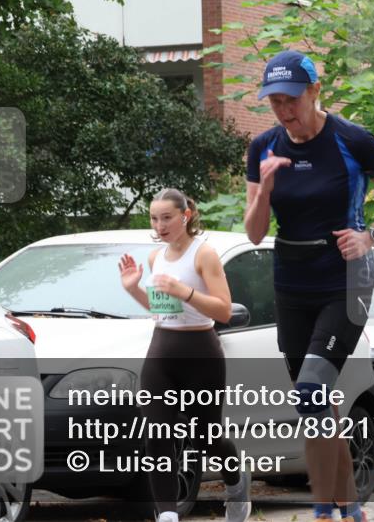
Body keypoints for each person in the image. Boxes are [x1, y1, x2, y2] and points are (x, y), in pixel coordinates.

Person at [244, 50, 374, 522]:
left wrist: (371, 235)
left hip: (347, 280)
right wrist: (262, 188)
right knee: (314, 404)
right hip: (291, 280)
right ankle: (350, 506)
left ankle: (324, 508)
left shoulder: (352, 139)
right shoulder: (263, 146)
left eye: (290, 100)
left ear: (315, 91)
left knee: (310, 392)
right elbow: (255, 233)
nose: (283, 111)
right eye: (273, 102)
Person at [118, 188, 251, 522]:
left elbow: (222, 310)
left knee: (205, 438)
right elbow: (163, 310)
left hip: (200, 353)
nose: (160, 225)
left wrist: (186, 291)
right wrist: (134, 288)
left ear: (185, 216)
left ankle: (236, 484)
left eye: (167, 217)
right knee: (156, 435)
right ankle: (167, 515)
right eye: (154, 218)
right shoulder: (155, 258)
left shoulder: (203, 255)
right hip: (162, 351)